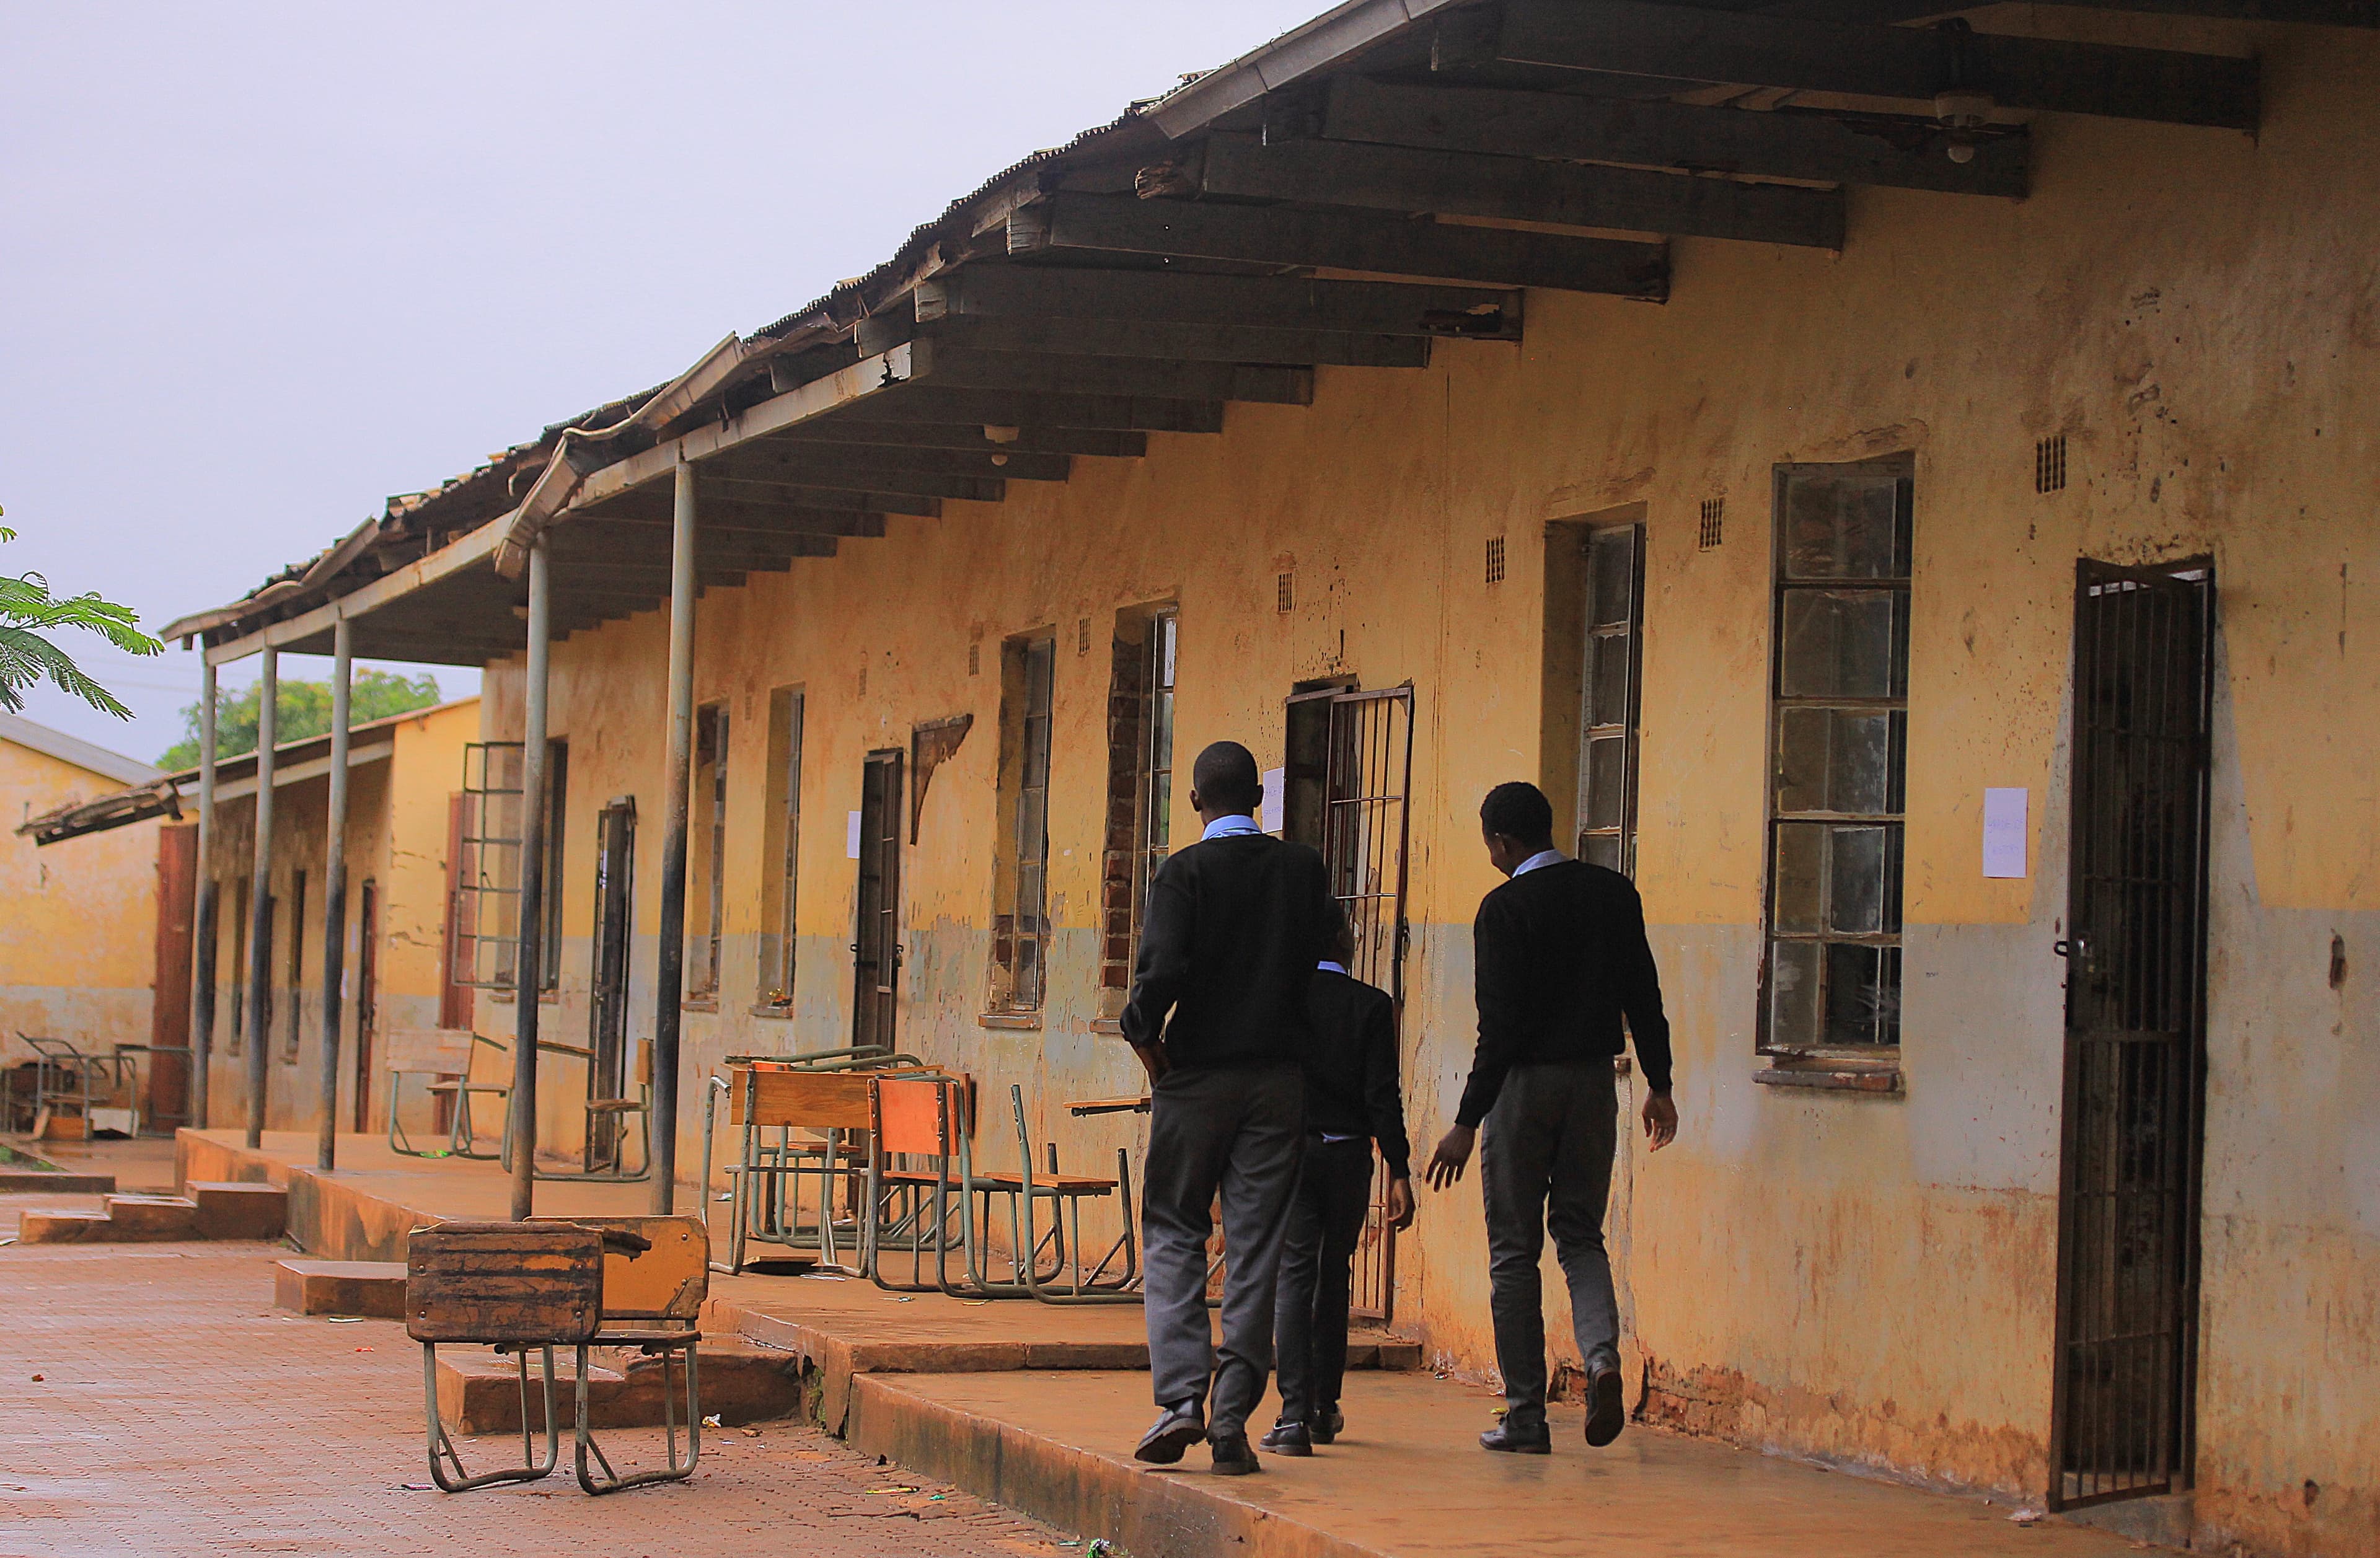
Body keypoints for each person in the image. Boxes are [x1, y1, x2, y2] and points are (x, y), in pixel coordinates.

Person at [1424, 780, 1677, 1455]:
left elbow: (1497, 1028)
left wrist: (1466, 1119)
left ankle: (1527, 1416)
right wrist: (1660, 1083)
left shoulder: (1503, 910)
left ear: (1504, 842)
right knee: (1581, 1235)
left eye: (1490, 848)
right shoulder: (1613, 894)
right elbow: (1644, 997)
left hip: (1521, 1090)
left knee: (1514, 1254)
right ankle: (1601, 1361)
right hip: (1596, 1084)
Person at [1123, 740, 1342, 1476]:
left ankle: (1181, 1397)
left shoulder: (1183, 871)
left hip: (1196, 1077)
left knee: (1174, 1227)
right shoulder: (1302, 870)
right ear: (1259, 798)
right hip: (1278, 1080)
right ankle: (1231, 1420)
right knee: (1256, 1246)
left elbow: (1158, 977)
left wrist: (1145, 1040)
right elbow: (1324, 957)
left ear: (1195, 802)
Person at [1260, 915, 1415, 1458]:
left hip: (1293, 1152)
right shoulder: (1372, 1006)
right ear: (1349, 945)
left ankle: (1292, 1415)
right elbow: (1383, 1096)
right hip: (1350, 1156)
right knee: (1335, 1275)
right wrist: (1399, 1167)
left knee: (1294, 1275)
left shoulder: (1284, 1001)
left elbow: (1267, 1082)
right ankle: (1326, 1406)